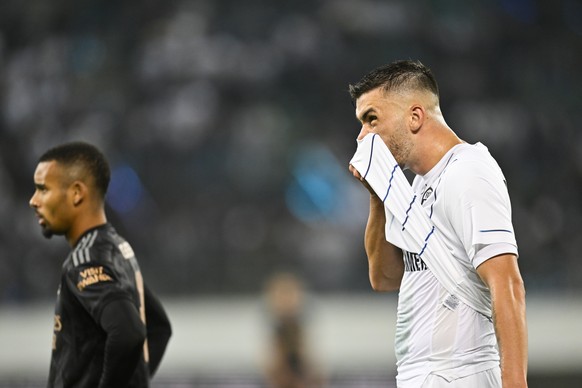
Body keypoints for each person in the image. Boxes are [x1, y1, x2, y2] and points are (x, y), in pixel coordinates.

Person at [347, 60, 527, 388]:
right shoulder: (414, 186)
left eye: (371, 119)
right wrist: (377, 196)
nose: (362, 136)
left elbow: (507, 283)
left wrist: (515, 384)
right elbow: (385, 278)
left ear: (415, 117)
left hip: (462, 372)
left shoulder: (469, 171)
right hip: (420, 374)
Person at [29, 142, 172, 388]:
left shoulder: (87, 258)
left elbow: (129, 333)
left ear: (76, 193)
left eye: (43, 189)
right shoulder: (116, 248)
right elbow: (158, 327)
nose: (33, 201)